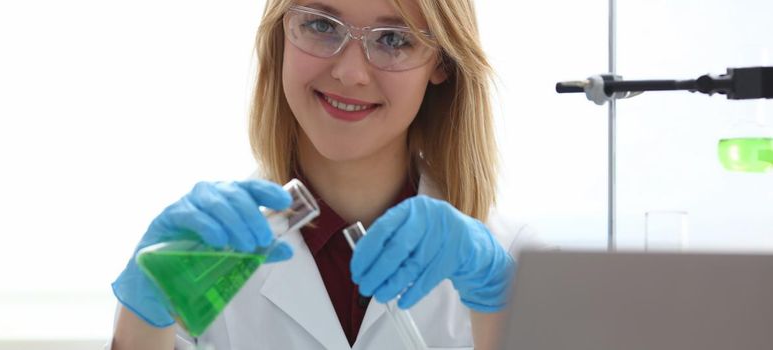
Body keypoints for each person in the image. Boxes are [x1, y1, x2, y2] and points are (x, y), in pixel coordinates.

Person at [109, 0, 543, 348]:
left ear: (441, 63)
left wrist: (505, 310)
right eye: (321, 25)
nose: (349, 73)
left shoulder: (510, 263)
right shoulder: (203, 259)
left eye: (394, 39)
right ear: (282, 34)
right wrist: (139, 328)